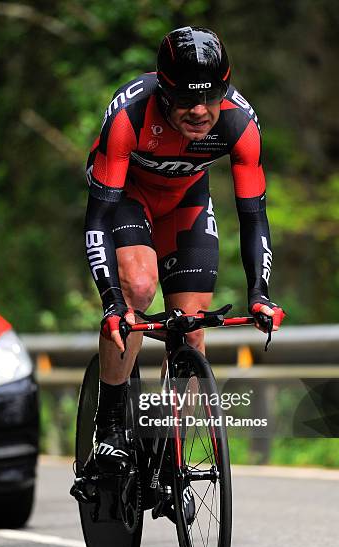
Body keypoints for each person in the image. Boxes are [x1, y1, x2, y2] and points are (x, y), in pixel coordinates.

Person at [84, 26, 285, 471]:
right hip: (127, 197)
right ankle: (111, 424)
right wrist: (111, 301)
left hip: (185, 202)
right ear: (163, 91)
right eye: (185, 101)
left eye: (210, 98)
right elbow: (97, 218)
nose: (199, 111)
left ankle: (167, 446)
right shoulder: (130, 115)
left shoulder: (239, 122)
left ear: (224, 91)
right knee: (137, 287)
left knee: (192, 329)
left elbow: (254, 216)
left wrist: (259, 293)